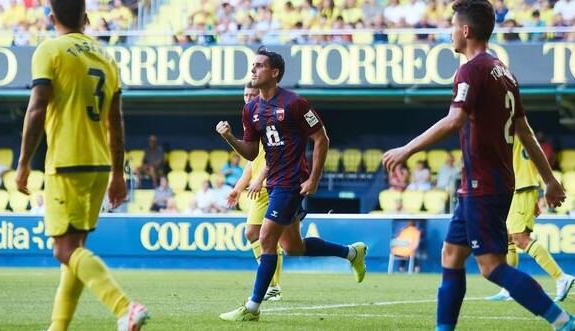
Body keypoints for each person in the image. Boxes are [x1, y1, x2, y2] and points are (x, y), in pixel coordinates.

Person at [382, 1, 572, 329]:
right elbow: (524, 131)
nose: (450, 32)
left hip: (483, 183)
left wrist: (407, 149)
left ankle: (563, 321)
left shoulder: (471, 69)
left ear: (466, 30)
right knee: (451, 256)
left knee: (491, 266)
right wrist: (549, 181)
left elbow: (455, 119)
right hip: (487, 182)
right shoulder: (504, 72)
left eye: (453, 26)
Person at [14, 1, 149, 330]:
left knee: (63, 250)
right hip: (100, 166)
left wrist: (23, 164)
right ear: (86, 19)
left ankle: (125, 307)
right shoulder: (107, 57)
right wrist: (118, 173)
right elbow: (115, 122)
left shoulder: (50, 50)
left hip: (66, 162)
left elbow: (36, 108)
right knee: (75, 251)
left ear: (51, 18)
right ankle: (57, 328)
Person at [216, 47, 367, 322]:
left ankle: (252, 307)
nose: (253, 69)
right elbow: (251, 153)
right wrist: (229, 138)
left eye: (260, 65)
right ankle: (352, 253)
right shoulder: (251, 109)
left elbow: (322, 139)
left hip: (292, 181)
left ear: (274, 73)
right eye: (253, 65)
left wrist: (314, 179)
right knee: (293, 247)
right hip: (274, 182)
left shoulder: (295, 104)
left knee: (265, 239)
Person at [487, 136, 575, 302]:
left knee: (521, 239)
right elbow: (528, 161)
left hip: (521, 187)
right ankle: (508, 288)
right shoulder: (519, 131)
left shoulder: (510, 128)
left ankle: (561, 277)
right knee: (508, 238)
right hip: (519, 188)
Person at [227, 81, 284, 301]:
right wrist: (237, 188)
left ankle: (273, 285)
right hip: (258, 187)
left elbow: (274, 155)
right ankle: (271, 283)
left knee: (285, 242)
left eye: (252, 94)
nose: (248, 98)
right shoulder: (249, 120)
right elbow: (252, 162)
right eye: (245, 94)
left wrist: (260, 179)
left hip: (275, 184)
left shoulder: (266, 118)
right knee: (253, 233)